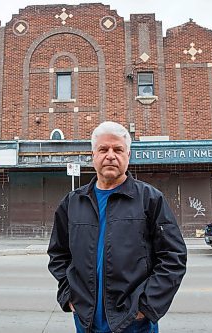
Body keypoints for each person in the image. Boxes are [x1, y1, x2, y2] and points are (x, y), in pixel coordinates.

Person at [47, 121, 187, 333]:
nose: (110, 155)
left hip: (134, 323)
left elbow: (173, 257)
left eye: (118, 149)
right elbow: (58, 254)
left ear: (128, 155)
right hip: (86, 321)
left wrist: (146, 307)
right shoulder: (73, 202)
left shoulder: (150, 199)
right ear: (93, 155)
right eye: (103, 149)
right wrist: (69, 295)